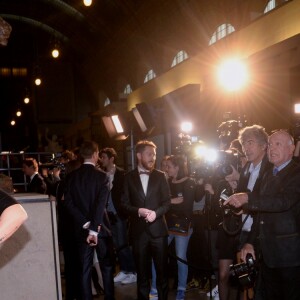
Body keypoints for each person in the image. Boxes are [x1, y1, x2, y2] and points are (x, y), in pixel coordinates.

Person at [224, 130, 300, 300]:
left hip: (289, 257)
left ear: (292, 149)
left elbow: (283, 202)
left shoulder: (296, 173)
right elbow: (261, 216)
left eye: (278, 144)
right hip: (266, 256)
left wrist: (247, 198)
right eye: (271, 144)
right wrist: (250, 242)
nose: (272, 148)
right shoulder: (268, 174)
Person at [218, 125, 271, 300]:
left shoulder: (270, 168)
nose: (246, 148)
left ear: (264, 145)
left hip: (263, 232)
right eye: (243, 144)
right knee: (245, 281)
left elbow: (264, 200)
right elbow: (242, 197)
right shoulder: (248, 168)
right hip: (244, 229)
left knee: (261, 283)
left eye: (250, 143)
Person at [64, 141, 115, 300]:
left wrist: (85, 224)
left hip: (82, 230)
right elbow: (100, 206)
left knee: (84, 269)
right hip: (101, 230)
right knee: (106, 268)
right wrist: (94, 227)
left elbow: (68, 204)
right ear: (95, 154)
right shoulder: (102, 176)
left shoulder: (71, 176)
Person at [121, 140, 171, 300]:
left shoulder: (161, 176)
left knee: (163, 276)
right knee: (142, 277)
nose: (153, 158)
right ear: (139, 155)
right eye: (149, 154)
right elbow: (123, 204)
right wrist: (138, 211)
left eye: (154, 154)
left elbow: (167, 202)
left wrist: (156, 214)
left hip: (158, 232)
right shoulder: (128, 177)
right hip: (138, 233)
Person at [150, 155, 195, 300]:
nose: (166, 168)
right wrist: (172, 201)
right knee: (156, 254)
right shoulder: (167, 181)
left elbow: (186, 206)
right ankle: (154, 288)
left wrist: (168, 202)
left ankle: (181, 289)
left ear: (177, 167)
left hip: (183, 224)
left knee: (181, 257)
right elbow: (158, 200)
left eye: (168, 166)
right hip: (166, 223)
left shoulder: (189, 182)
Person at [99, 147, 136, 285]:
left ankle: (131, 271)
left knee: (122, 243)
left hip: (118, 213)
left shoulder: (121, 174)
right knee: (115, 244)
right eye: (101, 157)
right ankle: (124, 270)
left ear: (111, 158)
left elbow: (125, 193)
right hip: (107, 214)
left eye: (104, 157)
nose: (101, 160)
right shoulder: (101, 173)